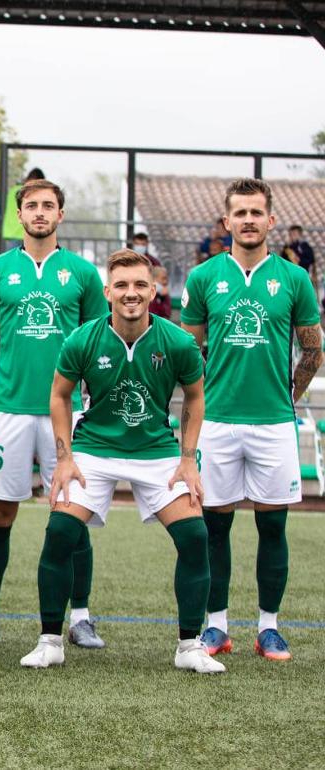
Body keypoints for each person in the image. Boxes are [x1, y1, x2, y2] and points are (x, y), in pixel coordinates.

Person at [19, 248, 219, 673]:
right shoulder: (83, 338)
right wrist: (65, 458)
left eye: (141, 285)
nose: (132, 293)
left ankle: (189, 647)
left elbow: (196, 396)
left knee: (195, 537)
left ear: (155, 290)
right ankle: (50, 640)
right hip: (94, 449)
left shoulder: (178, 341)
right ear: (108, 291)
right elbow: (59, 394)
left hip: (157, 452)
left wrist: (187, 459)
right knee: (59, 530)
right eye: (123, 286)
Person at [181, 177, 323, 662]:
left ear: (270, 220)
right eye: (239, 213)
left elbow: (312, 349)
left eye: (255, 212)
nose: (247, 220)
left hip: (273, 423)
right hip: (217, 421)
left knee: (273, 528)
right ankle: (216, 627)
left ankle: (269, 627)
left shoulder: (295, 279)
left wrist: (289, 394)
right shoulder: (203, 278)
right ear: (226, 222)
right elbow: (188, 349)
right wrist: (202, 399)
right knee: (213, 528)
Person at [0, 178, 108, 647]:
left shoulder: (83, 274)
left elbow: (94, 340)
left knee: (73, 515)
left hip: (64, 415)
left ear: (60, 215)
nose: (40, 213)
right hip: (9, 410)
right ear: (20, 214)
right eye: (31, 206)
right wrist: (14, 370)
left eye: (48, 205)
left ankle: (80, 617)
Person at [1, 168, 43, 246]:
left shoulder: (13, 190)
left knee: (13, 258)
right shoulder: (28, 192)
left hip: (11, 233)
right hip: (23, 234)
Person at [286, 225, 318, 299]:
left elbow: (310, 260)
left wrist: (298, 258)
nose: (292, 236)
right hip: (289, 277)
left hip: (302, 277)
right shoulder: (287, 247)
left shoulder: (305, 246)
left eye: (294, 234)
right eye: (290, 234)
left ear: (300, 235)